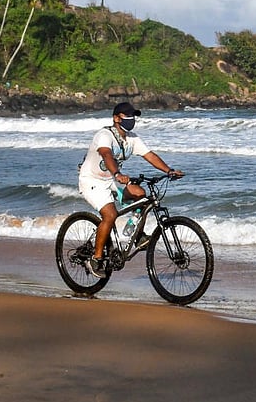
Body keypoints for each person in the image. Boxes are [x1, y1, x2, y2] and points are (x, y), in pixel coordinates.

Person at [78, 102, 184, 278]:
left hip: (112, 180)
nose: (131, 120)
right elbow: (106, 155)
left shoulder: (131, 139)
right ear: (116, 118)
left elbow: (149, 155)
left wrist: (168, 171)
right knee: (110, 215)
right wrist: (118, 173)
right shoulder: (104, 135)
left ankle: (137, 235)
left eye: (133, 117)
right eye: (128, 117)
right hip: (92, 180)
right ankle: (96, 259)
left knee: (141, 195)